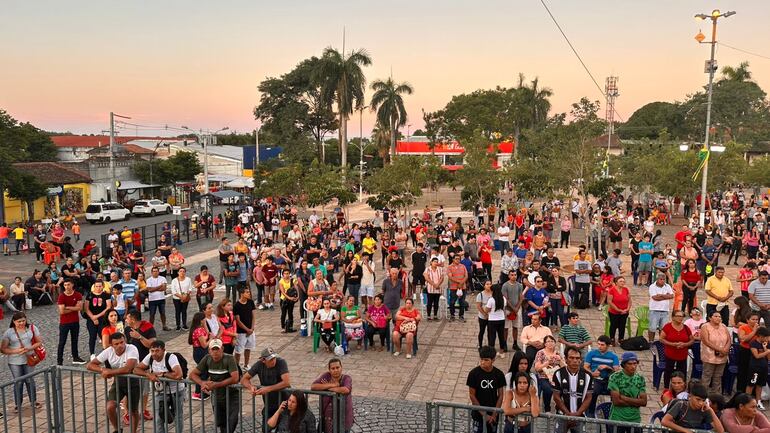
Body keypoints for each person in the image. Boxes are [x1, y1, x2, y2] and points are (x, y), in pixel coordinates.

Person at [86, 332, 141, 433]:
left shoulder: (132, 348)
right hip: (118, 381)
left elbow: (128, 368)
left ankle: (134, 431)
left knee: (133, 410)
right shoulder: (109, 351)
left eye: (122, 342)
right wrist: (102, 370)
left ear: (125, 341)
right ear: (111, 345)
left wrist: (109, 372)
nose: (120, 345)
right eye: (116, 344)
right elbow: (90, 365)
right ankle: (117, 429)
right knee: (110, 406)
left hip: (134, 381)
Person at [133, 340, 186, 433]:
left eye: (157, 351)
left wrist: (162, 374)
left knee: (178, 416)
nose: (154, 353)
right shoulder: (150, 357)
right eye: (152, 351)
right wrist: (148, 374)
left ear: (163, 350)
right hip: (159, 392)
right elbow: (136, 369)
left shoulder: (171, 357)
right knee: (158, 417)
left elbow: (178, 375)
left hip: (176, 391)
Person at [189, 339, 240, 433]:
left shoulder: (229, 358)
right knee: (221, 423)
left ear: (222, 349)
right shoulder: (207, 358)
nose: (215, 352)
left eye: (217, 349)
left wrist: (216, 385)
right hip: (217, 396)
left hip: (231, 395)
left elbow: (235, 378)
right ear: (209, 350)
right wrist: (202, 383)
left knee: (232, 421)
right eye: (213, 349)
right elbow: (192, 374)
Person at [1, 312, 43, 412]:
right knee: (18, 382)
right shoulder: (9, 332)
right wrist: (16, 351)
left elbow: (39, 342)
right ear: (14, 322)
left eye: (23, 320)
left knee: (29, 380)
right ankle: (17, 404)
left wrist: (29, 348)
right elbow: (3, 349)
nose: (21, 323)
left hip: (29, 358)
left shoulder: (32, 328)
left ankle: (33, 401)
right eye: (19, 321)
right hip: (14, 361)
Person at [241, 347, 291, 426]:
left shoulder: (281, 362)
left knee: (283, 428)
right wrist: (250, 387)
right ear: (263, 360)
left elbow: (286, 382)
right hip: (269, 404)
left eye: (274, 358)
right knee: (266, 428)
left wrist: (268, 389)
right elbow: (244, 379)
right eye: (270, 360)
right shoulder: (259, 365)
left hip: (285, 402)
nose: (273, 361)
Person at [552, 347, 593, 433]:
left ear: (580, 360)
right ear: (566, 359)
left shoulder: (588, 376)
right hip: (562, 415)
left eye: (577, 358)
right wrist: (568, 414)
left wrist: (577, 414)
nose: (575, 360)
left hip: (580, 416)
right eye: (571, 358)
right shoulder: (558, 374)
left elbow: (588, 397)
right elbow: (556, 397)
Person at [467, 346, 506, 433]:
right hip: (478, 415)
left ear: (493, 360)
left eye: (486, 360)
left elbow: (500, 395)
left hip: (493, 414)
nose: (483, 362)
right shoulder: (473, 374)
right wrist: (484, 414)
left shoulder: (499, 374)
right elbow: (472, 395)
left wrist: (494, 414)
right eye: (481, 359)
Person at [311, 358, 354, 433]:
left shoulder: (346, 378)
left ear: (341, 367)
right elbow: (313, 387)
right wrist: (332, 385)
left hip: (342, 416)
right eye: (333, 368)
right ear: (329, 370)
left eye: (337, 367)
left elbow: (346, 390)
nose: (336, 370)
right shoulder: (326, 376)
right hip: (326, 417)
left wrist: (327, 387)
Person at [608, 352, 647, 433]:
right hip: (618, 417)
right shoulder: (615, 377)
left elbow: (643, 402)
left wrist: (624, 397)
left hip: (635, 418)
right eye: (629, 364)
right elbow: (616, 401)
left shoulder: (640, 378)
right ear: (623, 365)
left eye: (635, 363)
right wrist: (636, 402)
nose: (633, 366)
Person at [583, 335, 619, 417]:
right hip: (596, 378)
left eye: (602, 345)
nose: (599, 346)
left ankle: (613, 411)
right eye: (598, 344)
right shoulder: (591, 354)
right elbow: (585, 367)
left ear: (608, 345)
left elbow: (616, 371)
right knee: (594, 391)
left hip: (608, 379)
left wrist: (607, 367)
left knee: (615, 392)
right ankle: (590, 411)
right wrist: (592, 373)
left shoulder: (613, 356)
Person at [660, 310, 694, 388]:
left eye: (682, 316)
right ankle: (666, 387)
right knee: (668, 371)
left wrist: (685, 344)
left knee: (682, 371)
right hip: (670, 353)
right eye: (678, 316)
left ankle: (681, 387)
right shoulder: (668, 327)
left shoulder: (686, 328)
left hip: (682, 354)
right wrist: (673, 344)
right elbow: (661, 339)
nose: (680, 318)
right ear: (673, 317)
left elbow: (692, 340)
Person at [699, 309, 730, 394]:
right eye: (716, 316)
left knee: (718, 376)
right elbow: (706, 341)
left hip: (722, 355)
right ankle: (703, 395)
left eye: (719, 316)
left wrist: (725, 350)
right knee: (707, 376)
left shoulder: (723, 326)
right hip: (709, 355)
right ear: (710, 318)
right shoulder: (705, 326)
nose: (718, 318)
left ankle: (716, 396)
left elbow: (729, 339)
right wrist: (720, 350)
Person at [57, 279, 85, 365]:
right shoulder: (61, 296)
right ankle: (59, 360)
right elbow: (62, 311)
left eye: (68, 284)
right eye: (65, 285)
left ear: (72, 285)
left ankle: (75, 357)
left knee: (75, 340)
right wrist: (73, 307)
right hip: (64, 322)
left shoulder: (78, 295)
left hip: (75, 321)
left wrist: (67, 307)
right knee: (62, 342)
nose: (66, 287)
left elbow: (79, 308)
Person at [533, 334, 562, 412]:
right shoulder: (541, 353)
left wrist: (560, 360)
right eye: (548, 341)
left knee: (563, 388)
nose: (550, 343)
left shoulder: (558, 353)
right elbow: (537, 368)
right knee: (548, 389)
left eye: (552, 341)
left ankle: (559, 408)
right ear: (545, 344)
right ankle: (547, 408)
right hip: (543, 376)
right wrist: (547, 362)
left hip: (555, 377)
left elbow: (564, 368)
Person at [84, 280, 112, 360]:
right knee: (92, 336)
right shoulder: (89, 295)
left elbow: (108, 307)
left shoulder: (106, 295)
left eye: (100, 286)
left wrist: (97, 316)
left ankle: (106, 352)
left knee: (103, 336)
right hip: (91, 318)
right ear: (94, 286)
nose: (98, 288)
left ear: (103, 286)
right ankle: (92, 353)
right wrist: (93, 317)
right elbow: (86, 308)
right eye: (96, 286)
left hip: (102, 319)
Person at [188, 312, 210, 401]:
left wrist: (204, 324)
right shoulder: (198, 330)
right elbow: (204, 345)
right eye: (204, 319)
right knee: (202, 372)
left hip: (201, 351)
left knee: (203, 371)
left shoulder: (200, 328)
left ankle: (200, 391)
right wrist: (211, 339)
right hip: (200, 352)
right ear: (201, 320)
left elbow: (207, 333)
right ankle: (199, 392)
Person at [233, 287, 257, 367]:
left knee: (248, 348)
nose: (249, 293)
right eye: (247, 292)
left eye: (249, 292)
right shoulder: (237, 305)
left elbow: (253, 316)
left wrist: (252, 329)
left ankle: (246, 365)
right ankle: (236, 367)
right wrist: (247, 330)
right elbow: (238, 320)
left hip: (250, 331)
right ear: (242, 294)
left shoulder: (250, 302)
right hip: (241, 332)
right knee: (238, 351)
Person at [648, 273, 675, 343]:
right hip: (654, 310)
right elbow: (655, 298)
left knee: (663, 328)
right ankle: (651, 342)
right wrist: (666, 296)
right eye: (661, 279)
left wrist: (661, 295)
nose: (662, 281)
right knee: (652, 327)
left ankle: (661, 342)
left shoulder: (667, 286)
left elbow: (672, 296)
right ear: (657, 279)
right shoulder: (652, 286)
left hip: (665, 310)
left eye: (664, 279)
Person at [483, 283, 508, 357]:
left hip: (492, 320)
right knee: (501, 336)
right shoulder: (503, 299)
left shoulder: (491, 300)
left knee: (492, 336)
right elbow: (504, 307)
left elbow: (486, 310)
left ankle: (492, 352)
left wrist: (485, 308)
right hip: (501, 319)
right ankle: (502, 352)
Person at [747, 326, 770, 409]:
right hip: (755, 368)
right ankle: (747, 401)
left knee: (760, 385)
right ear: (760, 336)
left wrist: (765, 349)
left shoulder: (766, 344)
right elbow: (756, 356)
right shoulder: (753, 343)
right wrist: (766, 351)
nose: (768, 339)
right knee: (751, 384)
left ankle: (758, 401)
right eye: (766, 337)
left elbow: (769, 357)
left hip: (764, 367)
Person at [501, 270, 523, 351]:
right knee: (506, 328)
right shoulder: (505, 285)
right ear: (509, 276)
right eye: (512, 275)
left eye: (515, 274)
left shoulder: (519, 285)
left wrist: (517, 307)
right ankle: (504, 343)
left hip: (517, 309)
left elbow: (521, 297)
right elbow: (505, 298)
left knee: (515, 327)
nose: (514, 276)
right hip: (507, 309)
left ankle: (515, 343)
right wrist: (513, 308)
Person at [447, 254, 468, 322]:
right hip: (453, 287)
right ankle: (452, 315)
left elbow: (466, 276)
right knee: (452, 302)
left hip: (463, 287)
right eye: (456, 259)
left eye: (459, 259)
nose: (458, 260)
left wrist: (461, 283)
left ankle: (461, 316)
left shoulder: (463, 266)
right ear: (453, 259)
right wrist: (459, 282)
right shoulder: (450, 267)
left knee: (462, 302)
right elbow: (450, 277)